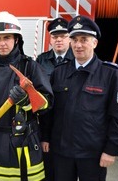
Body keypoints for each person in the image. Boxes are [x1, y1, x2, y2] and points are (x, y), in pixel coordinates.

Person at [0, 11, 54, 180]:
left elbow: (47, 104)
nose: (2, 43)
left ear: (16, 39)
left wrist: (27, 100)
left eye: (7, 38)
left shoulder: (30, 67)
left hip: (23, 144)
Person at [48, 15, 118, 180]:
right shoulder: (59, 72)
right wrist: (45, 138)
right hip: (62, 152)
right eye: (74, 40)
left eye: (84, 39)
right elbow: (50, 111)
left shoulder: (111, 74)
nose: (78, 45)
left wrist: (112, 150)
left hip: (93, 155)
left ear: (94, 43)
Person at [36, 17, 74, 181]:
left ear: (69, 38)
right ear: (50, 39)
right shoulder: (41, 60)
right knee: (48, 169)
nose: (58, 40)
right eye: (55, 36)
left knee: (68, 173)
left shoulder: (78, 60)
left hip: (71, 124)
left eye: (63, 36)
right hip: (48, 121)